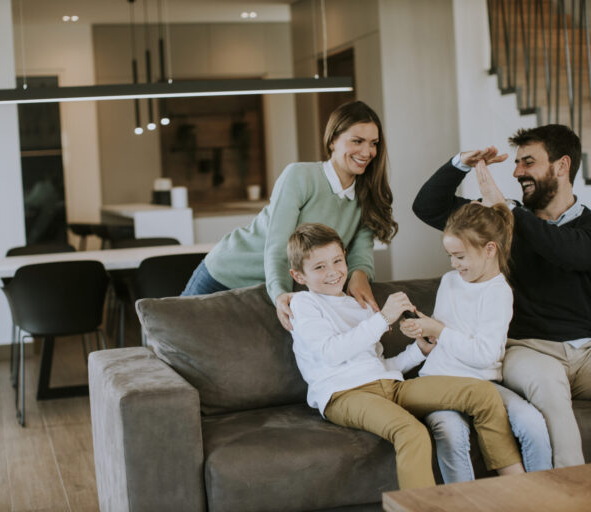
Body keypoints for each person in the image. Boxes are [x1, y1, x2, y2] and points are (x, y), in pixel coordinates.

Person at [412, 124, 591, 468]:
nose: (518, 172)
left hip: (590, 353)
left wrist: (509, 209)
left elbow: (568, 253)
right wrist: (460, 163)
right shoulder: (500, 224)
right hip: (527, 349)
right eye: (517, 163)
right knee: (549, 386)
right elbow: (428, 208)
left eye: (528, 162)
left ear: (562, 166)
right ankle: (573, 496)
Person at [287, 222, 524, 489]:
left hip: (390, 385)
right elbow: (331, 353)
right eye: (319, 267)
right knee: (412, 433)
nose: (332, 272)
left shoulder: (359, 305)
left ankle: (513, 487)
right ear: (299, 276)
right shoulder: (303, 304)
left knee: (482, 393)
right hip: (344, 394)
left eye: (337, 261)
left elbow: (378, 365)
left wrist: (419, 351)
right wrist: (383, 318)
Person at [182, 101, 398, 330]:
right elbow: (278, 244)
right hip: (227, 273)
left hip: (274, 287)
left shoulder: (367, 195)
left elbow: (361, 250)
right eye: (357, 141)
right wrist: (280, 293)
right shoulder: (300, 176)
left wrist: (359, 274)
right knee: (174, 334)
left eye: (373, 143)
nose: (367, 152)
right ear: (333, 140)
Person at [399, 202, 552, 482]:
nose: (454, 264)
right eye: (450, 256)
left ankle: (539, 495)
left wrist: (441, 330)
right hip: (440, 379)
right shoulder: (449, 281)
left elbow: (485, 355)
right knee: (451, 433)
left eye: (460, 256)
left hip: (483, 384)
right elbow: (444, 332)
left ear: (490, 249)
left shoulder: (498, 293)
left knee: (532, 423)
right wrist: (426, 328)